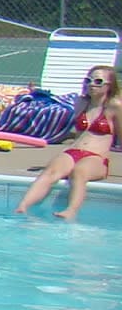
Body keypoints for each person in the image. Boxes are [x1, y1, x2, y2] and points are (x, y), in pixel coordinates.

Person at [17, 65, 122, 221]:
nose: (91, 84)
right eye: (88, 80)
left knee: (79, 172)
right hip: (73, 151)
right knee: (50, 172)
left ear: (109, 85)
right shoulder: (81, 102)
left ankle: (71, 211)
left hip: (96, 157)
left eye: (98, 81)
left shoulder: (115, 106)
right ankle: (23, 207)